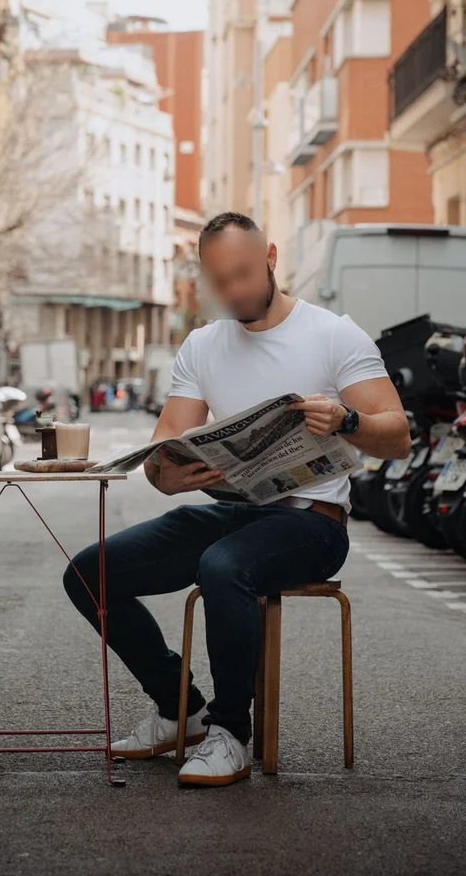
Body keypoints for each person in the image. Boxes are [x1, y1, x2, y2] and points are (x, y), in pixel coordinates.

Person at [64, 212, 410, 788]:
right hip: (237, 510)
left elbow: (397, 436)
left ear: (271, 257)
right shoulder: (203, 345)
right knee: (88, 573)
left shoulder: (333, 334)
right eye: (220, 281)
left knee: (222, 566)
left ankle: (229, 733)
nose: (235, 291)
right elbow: (162, 452)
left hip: (314, 524)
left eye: (244, 275)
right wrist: (169, 476)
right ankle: (181, 709)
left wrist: (346, 419)